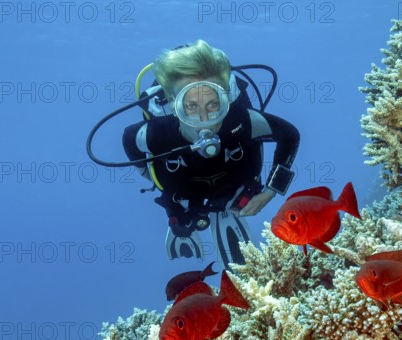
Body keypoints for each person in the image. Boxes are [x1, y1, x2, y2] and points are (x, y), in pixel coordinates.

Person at [122, 40, 299, 267]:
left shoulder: (242, 121)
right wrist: (149, 176)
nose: (205, 119)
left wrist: (271, 192)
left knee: (232, 198)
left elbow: (290, 134)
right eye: (191, 106)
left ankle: (225, 208)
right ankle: (182, 215)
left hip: (236, 186)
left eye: (213, 104)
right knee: (180, 211)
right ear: (174, 104)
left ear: (225, 98)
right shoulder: (156, 133)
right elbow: (129, 140)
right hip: (184, 191)